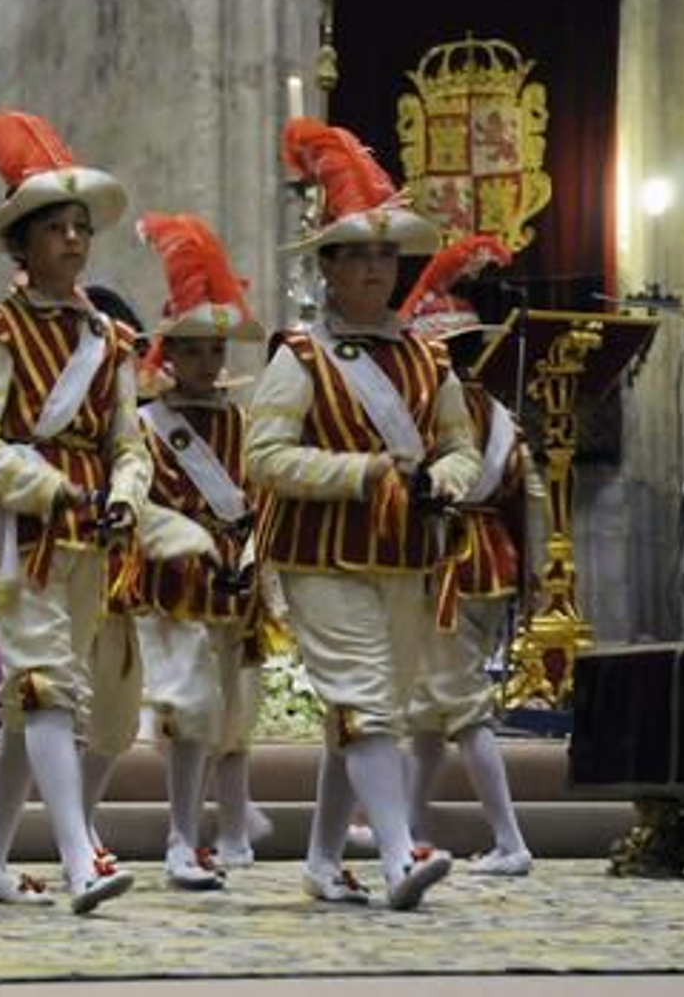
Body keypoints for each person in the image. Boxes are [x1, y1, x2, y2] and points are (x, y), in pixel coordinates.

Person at [247, 117, 481, 910]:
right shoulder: (299, 356)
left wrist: (449, 479)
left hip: (409, 551)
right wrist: (363, 472)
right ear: (331, 268)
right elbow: (265, 459)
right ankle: (394, 853)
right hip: (321, 553)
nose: (378, 268)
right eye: (361, 255)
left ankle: (320, 859)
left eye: (387, 254)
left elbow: (459, 444)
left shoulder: (429, 356)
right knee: (366, 695)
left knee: (363, 705)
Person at [0, 110, 150, 914]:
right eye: (56, 229)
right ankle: (80, 855)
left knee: (43, 693)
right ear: (22, 247)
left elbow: (129, 444)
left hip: (94, 530)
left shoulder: (113, 341)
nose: (73, 240)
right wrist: (48, 487)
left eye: (80, 228)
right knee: (50, 685)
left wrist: (124, 498)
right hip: (22, 533)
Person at [129, 212, 266, 888]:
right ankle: (181, 837)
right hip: (176, 581)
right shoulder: (147, 426)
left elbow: (259, 495)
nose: (209, 363)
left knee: (235, 713)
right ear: (170, 354)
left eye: (217, 351)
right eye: (194, 351)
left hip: (237, 583)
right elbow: (138, 500)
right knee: (189, 709)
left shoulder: (243, 422)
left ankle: (232, 829)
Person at [397, 233, 534, 876]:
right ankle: (407, 823)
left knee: (465, 706)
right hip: (492, 559)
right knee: (432, 710)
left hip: (449, 559)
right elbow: (519, 491)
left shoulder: (432, 419)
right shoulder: (500, 413)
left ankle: (510, 840)